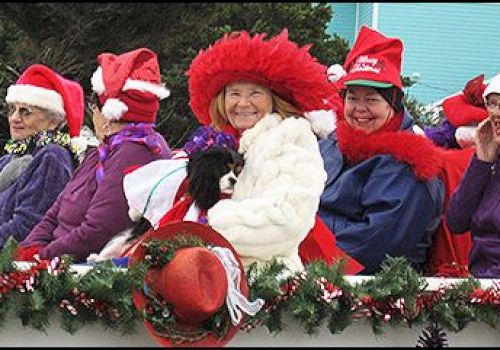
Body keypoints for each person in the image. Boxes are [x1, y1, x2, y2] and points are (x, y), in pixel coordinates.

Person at [183, 29, 363, 274]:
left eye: (255, 93)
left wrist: (207, 228)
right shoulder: (223, 144)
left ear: (274, 99)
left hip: (266, 285)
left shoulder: (290, 139)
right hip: (212, 277)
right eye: (234, 93)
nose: (243, 103)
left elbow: (287, 220)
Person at [18, 48, 172, 262]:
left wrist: (40, 257)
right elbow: (55, 211)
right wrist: (28, 249)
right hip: (56, 260)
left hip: (84, 270)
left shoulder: (135, 152)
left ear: (109, 115)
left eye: (94, 108)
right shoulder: (104, 150)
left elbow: (98, 230)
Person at [318, 26, 445, 275]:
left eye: (372, 99)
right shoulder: (330, 145)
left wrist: (301, 253)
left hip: (368, 292)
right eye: (352, 98)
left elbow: (371, 246)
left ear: (394, 105)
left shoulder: (408, 165)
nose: (359, 108)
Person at [0, 64, 83, 247]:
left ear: (54, 121)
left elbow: (26, 227)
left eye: (25, 112)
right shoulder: (9, 158)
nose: (14, 118)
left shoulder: (52, 157)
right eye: (12, 109)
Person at [446, 73, 500, 278]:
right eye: (492, 104)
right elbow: (456, 221)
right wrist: (482, 162)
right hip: (481, 283)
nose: (495, 113)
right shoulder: (490, 161)